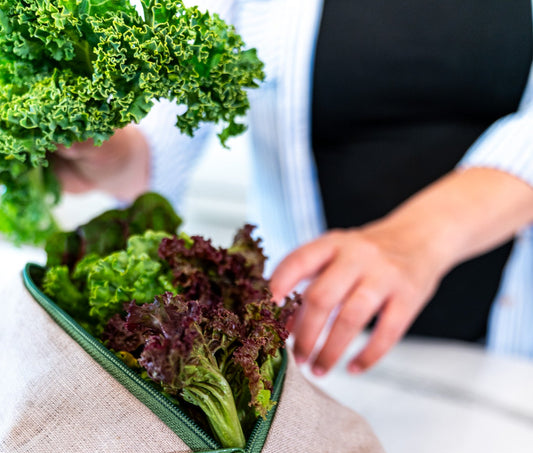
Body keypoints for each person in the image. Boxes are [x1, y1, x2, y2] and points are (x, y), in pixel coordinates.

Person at [53, 0, 533, 375]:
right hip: (308, 350)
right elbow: (168, 129)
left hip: (513, 365)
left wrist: (414, 240)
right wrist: (112, 155)